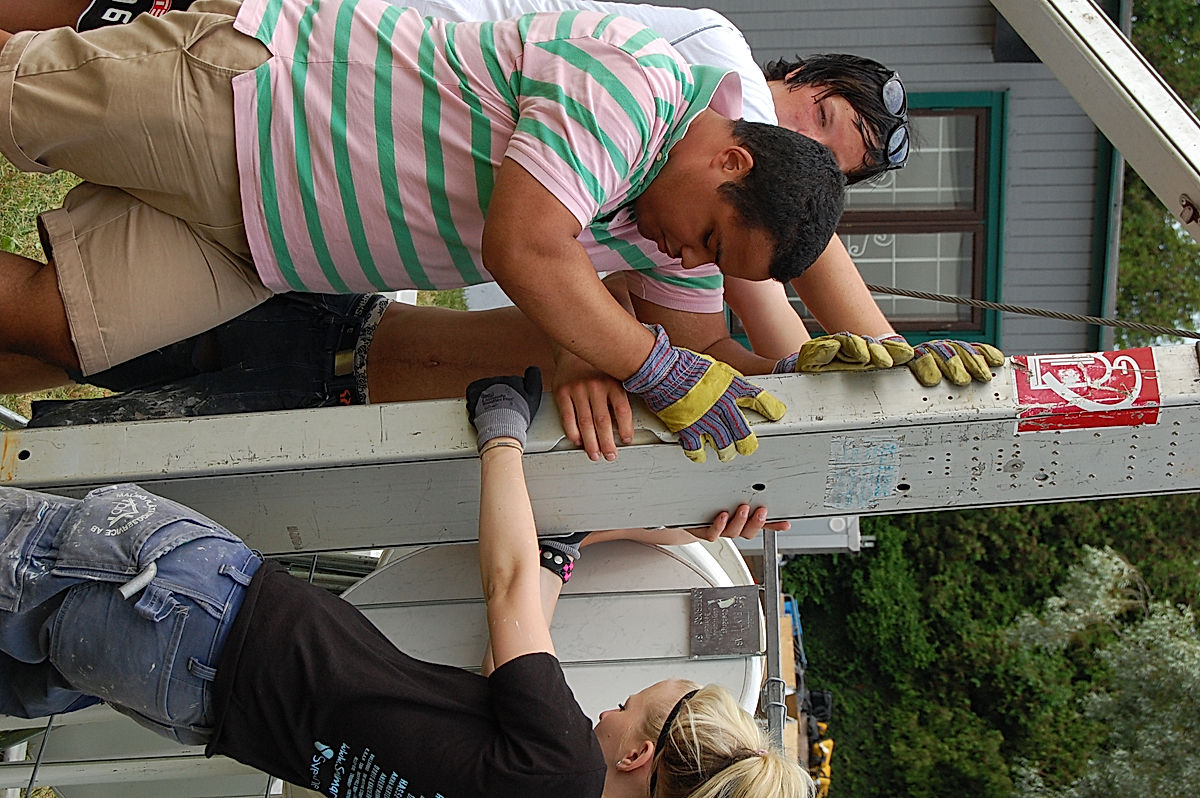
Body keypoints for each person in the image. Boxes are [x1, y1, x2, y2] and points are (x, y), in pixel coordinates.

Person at [0, 0, 849, 462]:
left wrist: (810, 367)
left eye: (711, 263)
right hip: (246, 112)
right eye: (709, 240)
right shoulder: (637, 82)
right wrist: (647, 361)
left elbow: (699, 349)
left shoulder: (662, 222)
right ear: (729, 163)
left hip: (262, 249)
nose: (689, 260)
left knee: (59, 324)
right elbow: (524, 247)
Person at [0, 367, 814, 798]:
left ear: (639, 753)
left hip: (200, 614)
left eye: (629, 706)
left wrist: (501, 432)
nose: (609, 703)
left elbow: (508, 589)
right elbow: (517, 654)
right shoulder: (546, 769)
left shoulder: (562, 759)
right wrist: (647, 531)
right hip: (195, 707)